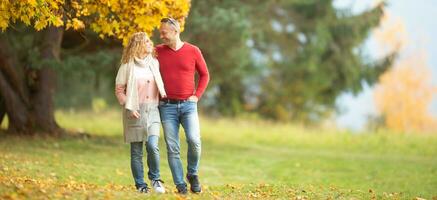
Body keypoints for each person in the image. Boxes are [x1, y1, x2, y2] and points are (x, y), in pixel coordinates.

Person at [156, 17, 210, 194]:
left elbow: (205, 75)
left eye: (164, 32)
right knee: (173, 148)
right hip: (166, 107)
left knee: (194, 141)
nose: (161, 35)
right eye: (160, 32)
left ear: (175, 31)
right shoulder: (157, 52)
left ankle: (192, 174)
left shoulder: (193, 51)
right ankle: (180, 185)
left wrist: (197, 96)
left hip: (188, 105)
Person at [115, 32, 167, 194]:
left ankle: (155, 179)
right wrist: (129, 106)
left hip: (152, 110)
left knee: (152, 145)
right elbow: (119, 90)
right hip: (134, 111)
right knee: (136, 151)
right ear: (138, 45)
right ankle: (140, 184)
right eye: (146, 42)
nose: (150, 44)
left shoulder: (154, 63)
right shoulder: (126, 65)